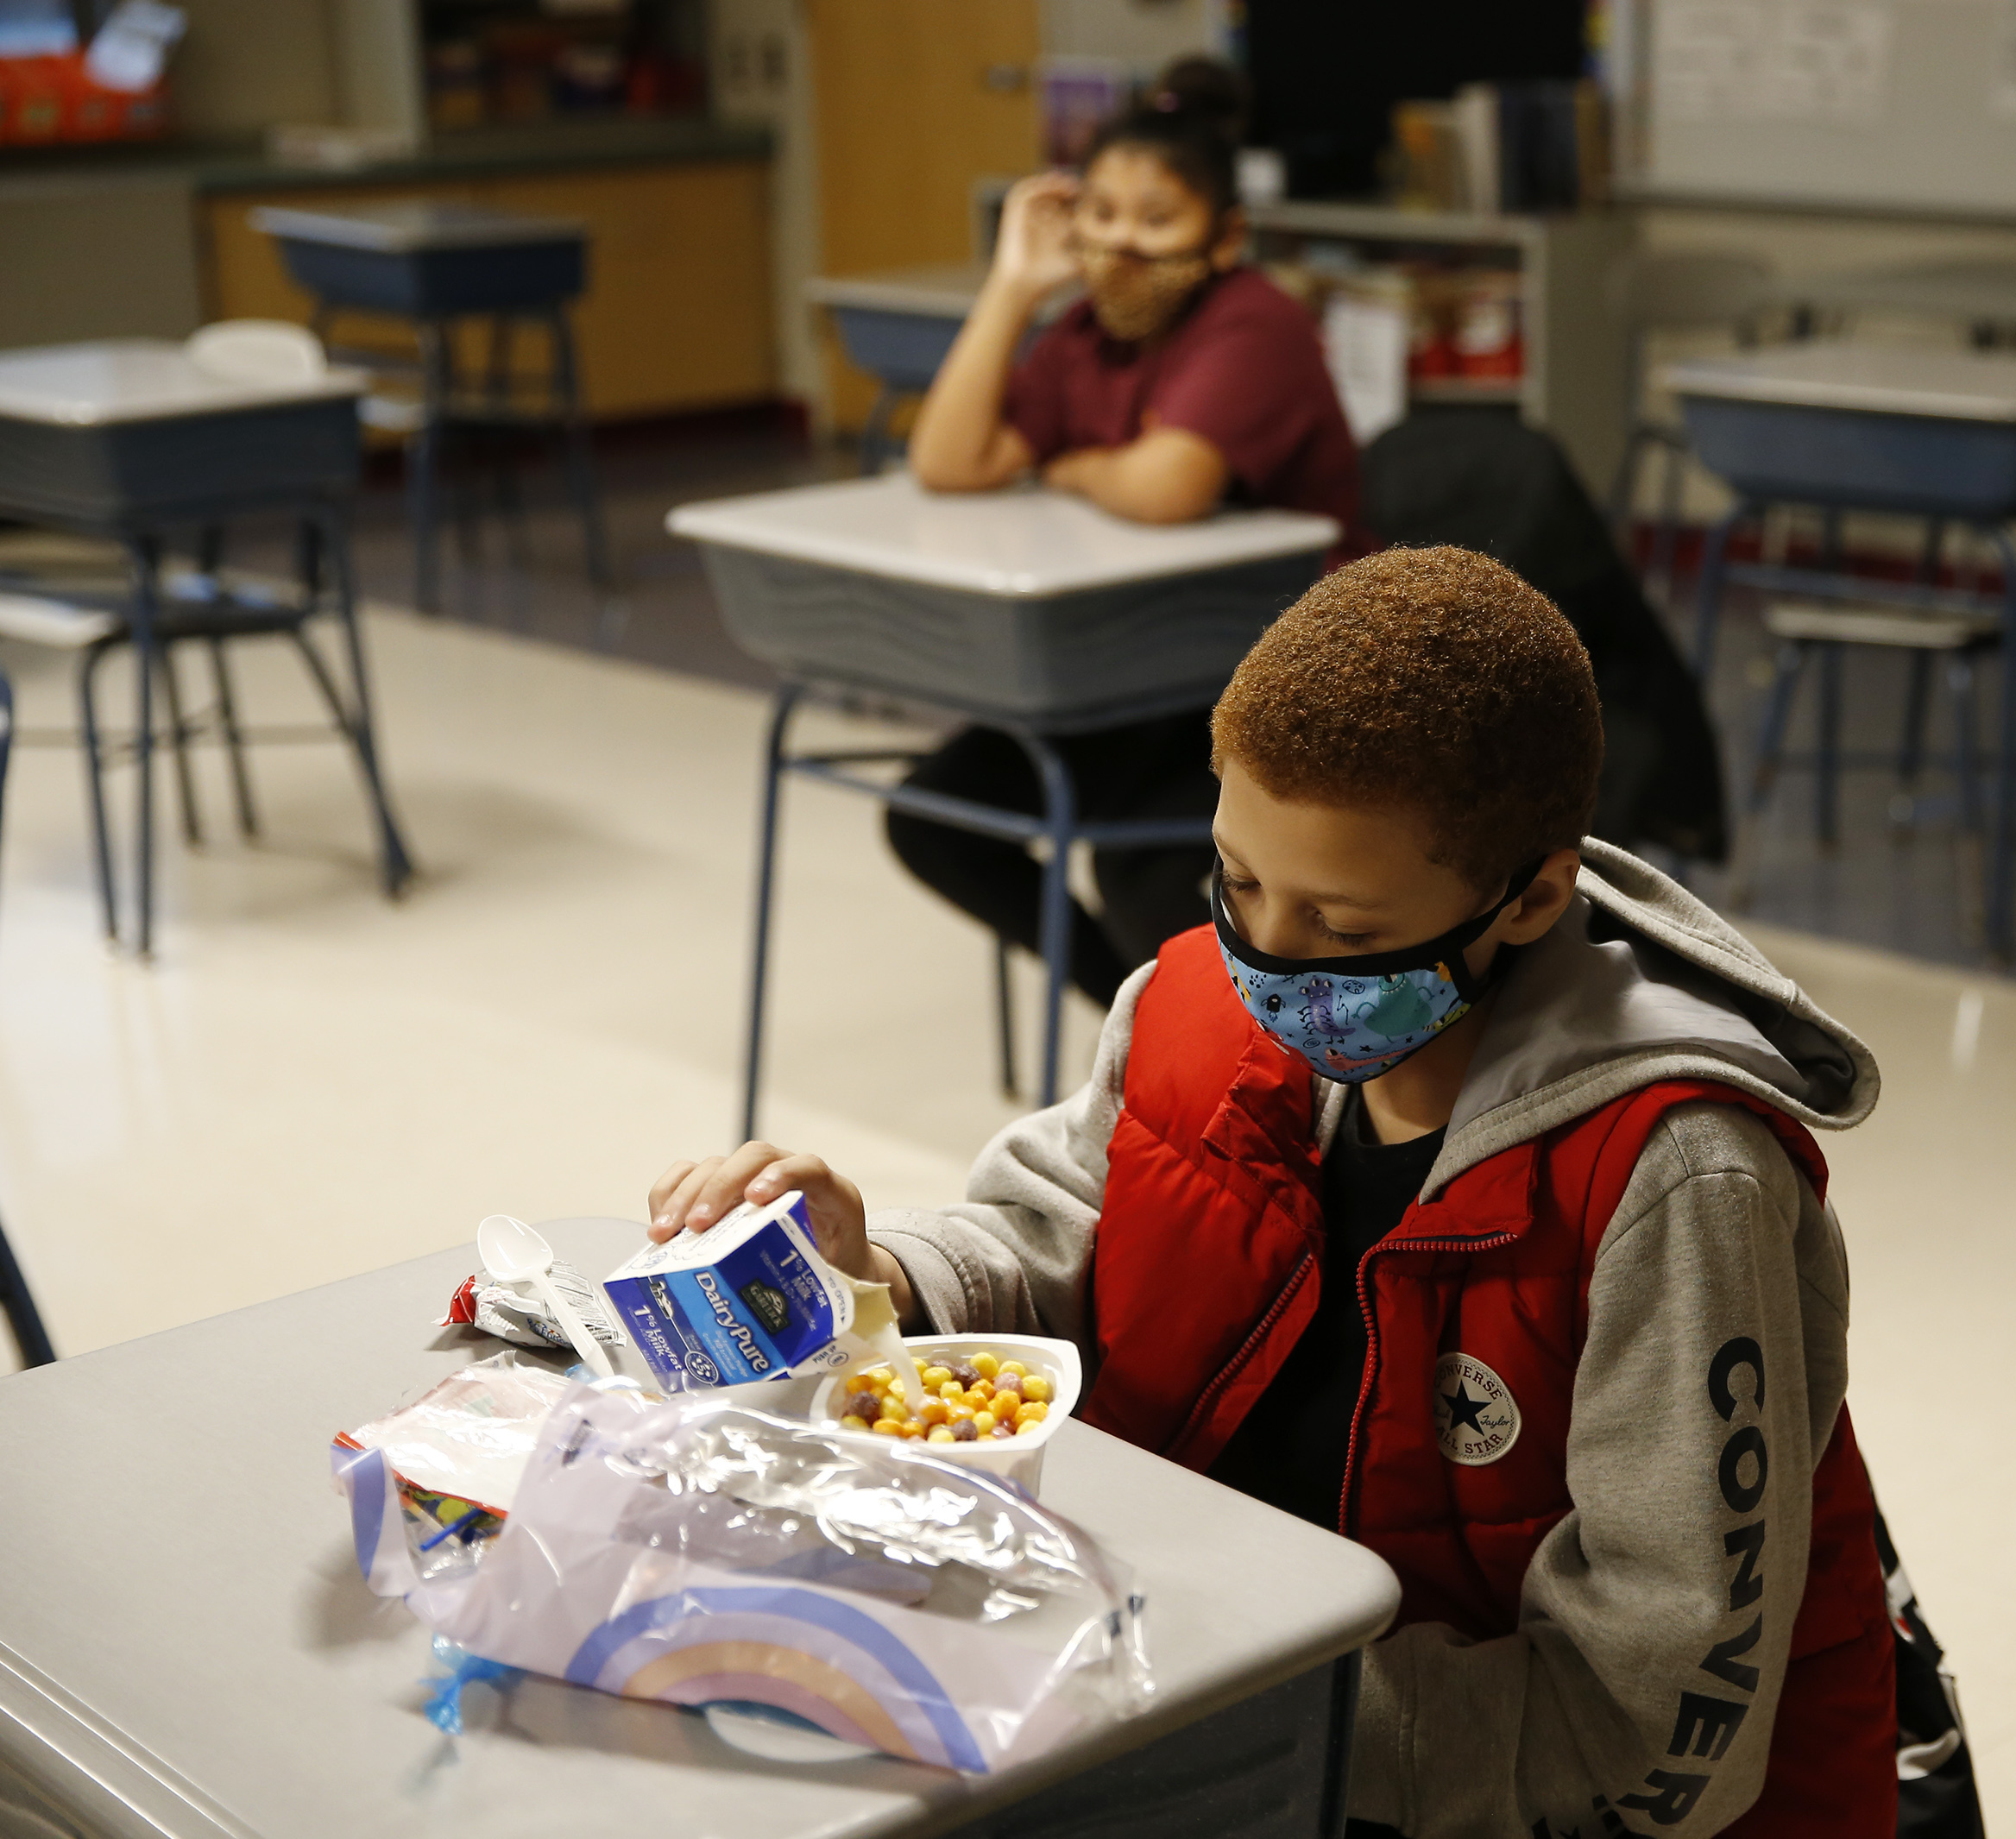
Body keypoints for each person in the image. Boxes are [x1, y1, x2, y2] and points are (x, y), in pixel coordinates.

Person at [649, 546, 1900, 1838]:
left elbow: (1640, 1727)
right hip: (1237, 1693)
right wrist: (890, 1277)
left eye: (1347, 930)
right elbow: (1062, 1235)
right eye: (1237, 879)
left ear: (1528, 895)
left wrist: (1209, 1686)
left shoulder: (1673, 1177)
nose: (1267, 958)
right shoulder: (1189, 1003)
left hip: (1483, 1782)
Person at [896, 56, 1364, 1006]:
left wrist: (1065, 466)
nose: (1121, 245)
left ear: (1225, 235)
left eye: (1157, 221)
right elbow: (947, 461)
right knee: (932, 818)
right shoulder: (1083, 333)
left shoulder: (1253, 324)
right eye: (1100, 215)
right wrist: (1012, 289)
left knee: (1143, 878)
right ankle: (1138, 1020)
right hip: (1130, 671)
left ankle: (1254, 1064)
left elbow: (1166, 487)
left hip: (1274, 685)